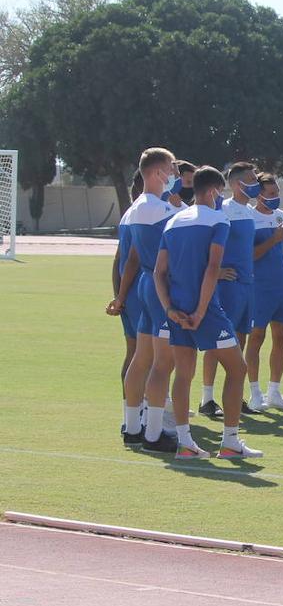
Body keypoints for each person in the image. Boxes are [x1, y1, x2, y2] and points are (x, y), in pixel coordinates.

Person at [156, 166, 263, 460]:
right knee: (238, 368)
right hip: (206, 309)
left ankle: (185, 443)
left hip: (176, 308)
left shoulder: (173, 222)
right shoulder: (218, 219)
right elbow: (213, 267)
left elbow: (158, 273)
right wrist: (202, 311)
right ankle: (230, 442)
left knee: (183, 374)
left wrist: (169, 309)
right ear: (215, 191)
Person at [116, 148, 179, 453]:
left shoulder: (139, 206)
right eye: (171, 168)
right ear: (157, 173)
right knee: (162, 362)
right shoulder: (157, 207)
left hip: (145, 283)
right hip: (159, 286)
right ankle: (154, 433)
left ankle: (132, 427)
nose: (175, 174)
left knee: (142, 358)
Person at [199, 161, 261, 417]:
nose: (256, 184)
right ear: (237, 184)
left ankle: (235, 396)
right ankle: (207, 400)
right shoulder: (222, 209)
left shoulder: (250, 212)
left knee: (240, 340)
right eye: (251, 179)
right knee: (218, 341)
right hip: (227, 286)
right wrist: (216, 271)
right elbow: (204, 241)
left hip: (246, 284)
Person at [245, 173, 283, 411]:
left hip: (281, 287)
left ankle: (274, 391)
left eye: (277, 193)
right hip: (258, 288)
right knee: (256, 337)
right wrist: (274, 239)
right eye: (271, 194)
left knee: (282, 337)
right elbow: (249, 256)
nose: (276, 198)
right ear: (259, 194)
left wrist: (278, 241)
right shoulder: (248, 217)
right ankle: (255, 393)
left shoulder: (282, 217)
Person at [107, 170, 147, 424]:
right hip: (142, 292)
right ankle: (142, 415)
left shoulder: (128, 214)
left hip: (129, 293)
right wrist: (120, 297)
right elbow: (132, 259)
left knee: (134, 352)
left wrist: (118, 295)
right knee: (147, 356)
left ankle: (130, 414)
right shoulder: (146, 212)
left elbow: (118, 260)